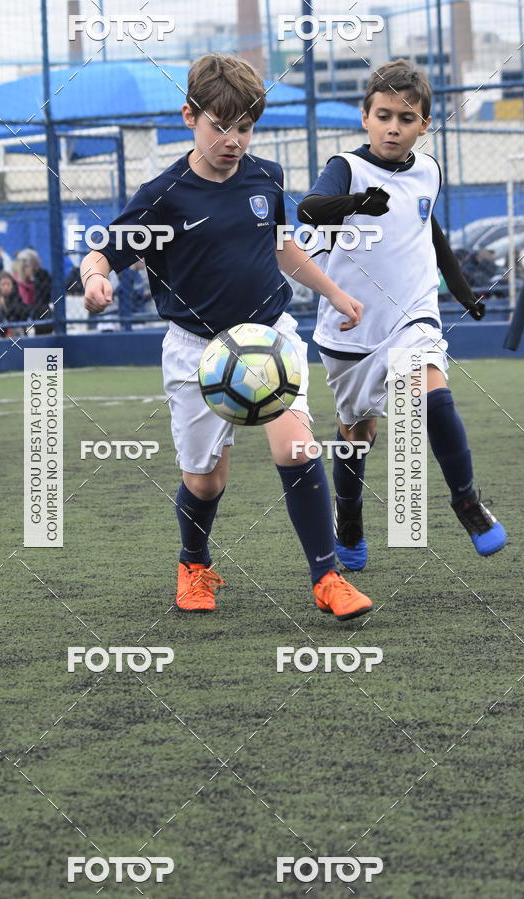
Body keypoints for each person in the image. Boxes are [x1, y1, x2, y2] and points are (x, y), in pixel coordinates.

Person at [81, 53, 373, 620]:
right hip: (197, 353)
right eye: (221, 126)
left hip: (269, 338)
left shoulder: (267, 177)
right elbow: (103, 251)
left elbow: (280, 245)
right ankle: (194, 563)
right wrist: (95, 280)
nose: (234, 139)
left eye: (245, 127)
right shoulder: (164, 194)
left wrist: (334, 293)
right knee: (206, 481)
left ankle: (327, 577)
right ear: (189, 116)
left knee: (296, 445)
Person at [297, 58, 506, 567]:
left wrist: (461, 291)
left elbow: (428, 231)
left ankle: (467, 501)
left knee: (433, 397)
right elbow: (308, 209)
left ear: (424, 124)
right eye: (384, 115)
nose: (394, 127)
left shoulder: (429, 170)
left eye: (406, 119)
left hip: (413, 315)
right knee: (357, 433)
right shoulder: (346, 166)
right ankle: (347, 520)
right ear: (365, 117)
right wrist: (355, 203)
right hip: (350, 330)